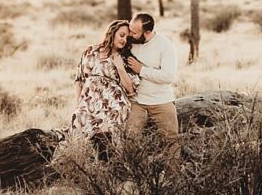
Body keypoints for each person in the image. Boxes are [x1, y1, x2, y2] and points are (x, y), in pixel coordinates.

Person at [63, 19, 139, 159]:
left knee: (107, 131)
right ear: (112, 32)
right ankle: (85, 162)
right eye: (121, 35)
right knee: (79, 120)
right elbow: (79, 80)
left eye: (127, 38)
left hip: (114, 101)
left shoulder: (124, 57)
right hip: (89, 100)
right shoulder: (91, 51)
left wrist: (120, 67)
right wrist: (78, 104)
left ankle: (109, 162)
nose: (124, 40)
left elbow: (130, 89)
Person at [125, 12, 181, 169]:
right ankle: (133, 178)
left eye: (134, 32)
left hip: (161, 101)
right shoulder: (130, 43)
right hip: (136, 101)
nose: (130, 34)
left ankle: (173, 181)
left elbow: (168, 76)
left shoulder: (165, 46)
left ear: (147, 32)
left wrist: (142, 70)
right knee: (130, 140)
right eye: (130, 30)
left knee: (171, 142)